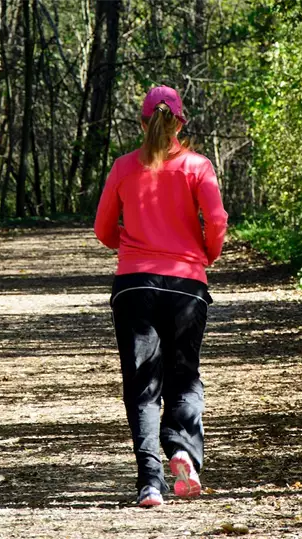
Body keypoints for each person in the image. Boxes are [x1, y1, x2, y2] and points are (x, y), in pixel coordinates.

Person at [94, 86, 228, 507]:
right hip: (187, 284)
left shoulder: (122, 167)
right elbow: (218, 219)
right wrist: (206, 253)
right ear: (180, 122)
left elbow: (102, 230)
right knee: (183, 374)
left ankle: (150, 482)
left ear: (142, 121)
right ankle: (184, 452)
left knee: (143, 386)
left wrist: (133, 245)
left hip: (135, 286)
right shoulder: (197, 166)